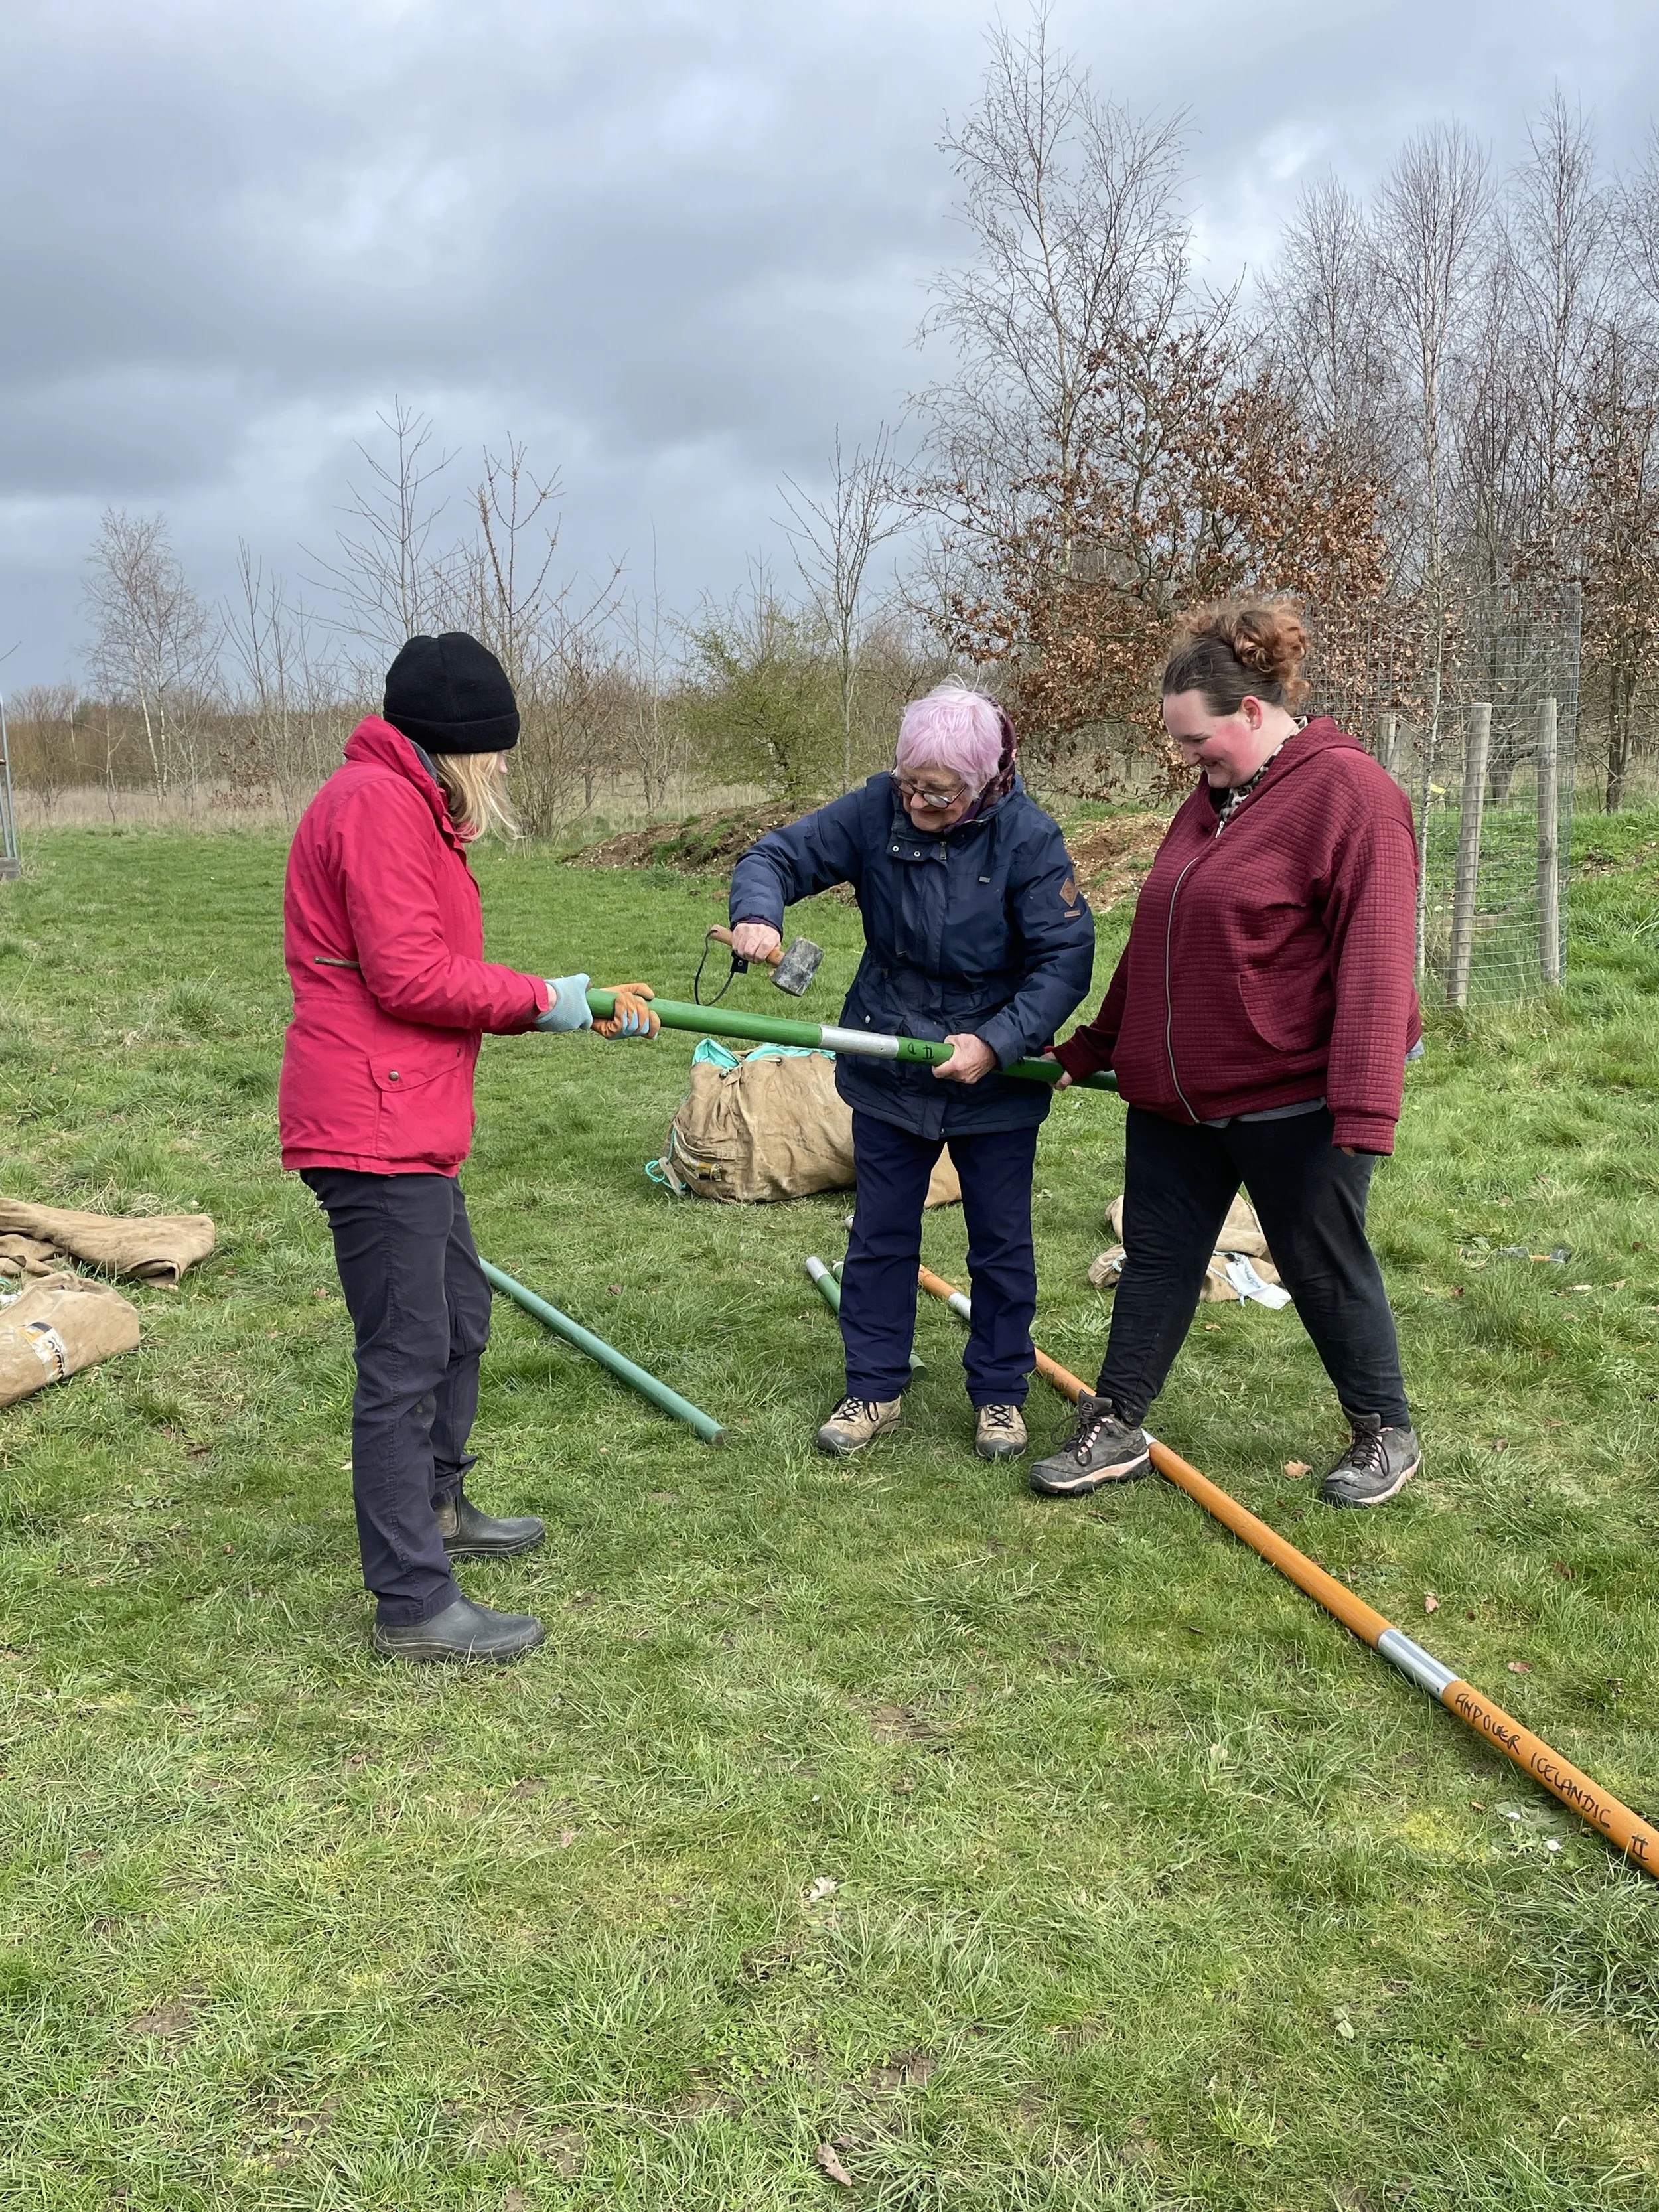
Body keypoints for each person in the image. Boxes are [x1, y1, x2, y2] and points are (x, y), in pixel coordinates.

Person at [279, 630, 658, 1664]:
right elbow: (409, 975)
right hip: (371, 1124)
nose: (499, 768)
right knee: (401, 1358)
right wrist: (552, 1000)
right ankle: (412, 1602)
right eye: (492, 750)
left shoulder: (407, 805)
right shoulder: (373, 806)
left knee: (460, 1319)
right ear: (454, 740)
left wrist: (558, 1000)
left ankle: (440, 1507)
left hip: (409, 1118)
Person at [1028, 598, 1423, 1510]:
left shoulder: (1353, 798)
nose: (1185, 759)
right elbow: (1160, 937)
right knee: (1158, 1258)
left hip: (1293, 1095)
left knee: (1321, 1262)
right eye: (1177, 744)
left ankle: (1386, 1431)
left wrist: (1364, 1108)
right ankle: (1117, 1421)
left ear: (1253, 710)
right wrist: (1097, 1045)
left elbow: (1375, 959)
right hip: (1179, 1094)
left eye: (1196, 739)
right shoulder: (1214, 800)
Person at [729, 683, 1094, 1461]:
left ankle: (999, 1394)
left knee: (999, 1244)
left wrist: (997, 1042)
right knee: (880, 1235)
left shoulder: (1029, 839)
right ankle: (873, 1387)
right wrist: (759, 912)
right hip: (887, 1058)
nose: (921, 803)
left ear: (984, 781)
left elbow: (1065, 959)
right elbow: (778, 855)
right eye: (912, 785)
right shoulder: (874, 811)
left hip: (995, 1076)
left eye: (941, 792)